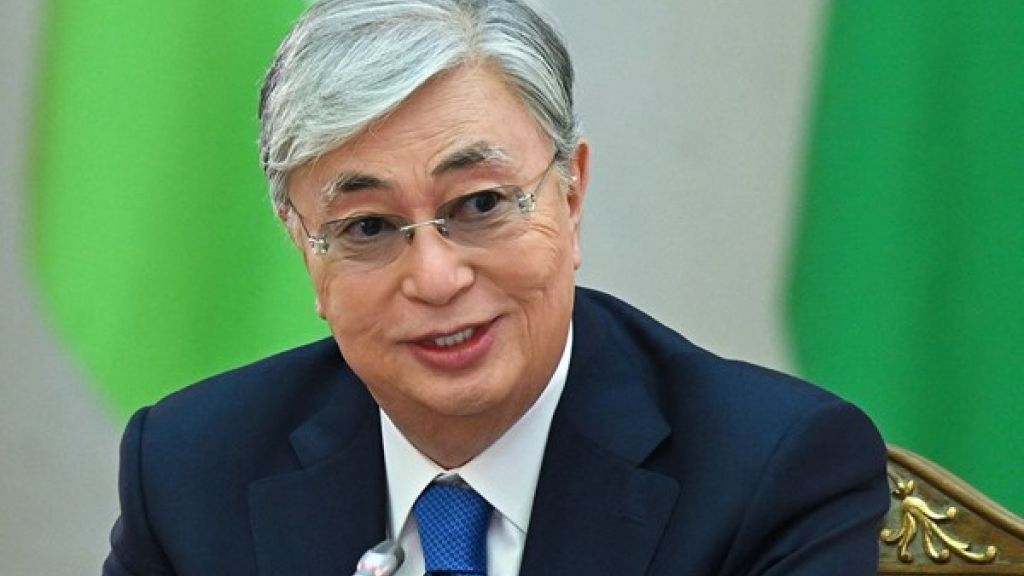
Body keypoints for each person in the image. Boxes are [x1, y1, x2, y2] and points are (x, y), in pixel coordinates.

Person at [103, 0, 890, 574]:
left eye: (479, 205)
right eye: (368, 227)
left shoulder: (772, 473)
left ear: (571, 197)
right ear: (303, 247)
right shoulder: (191, 471)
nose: (436, 278)